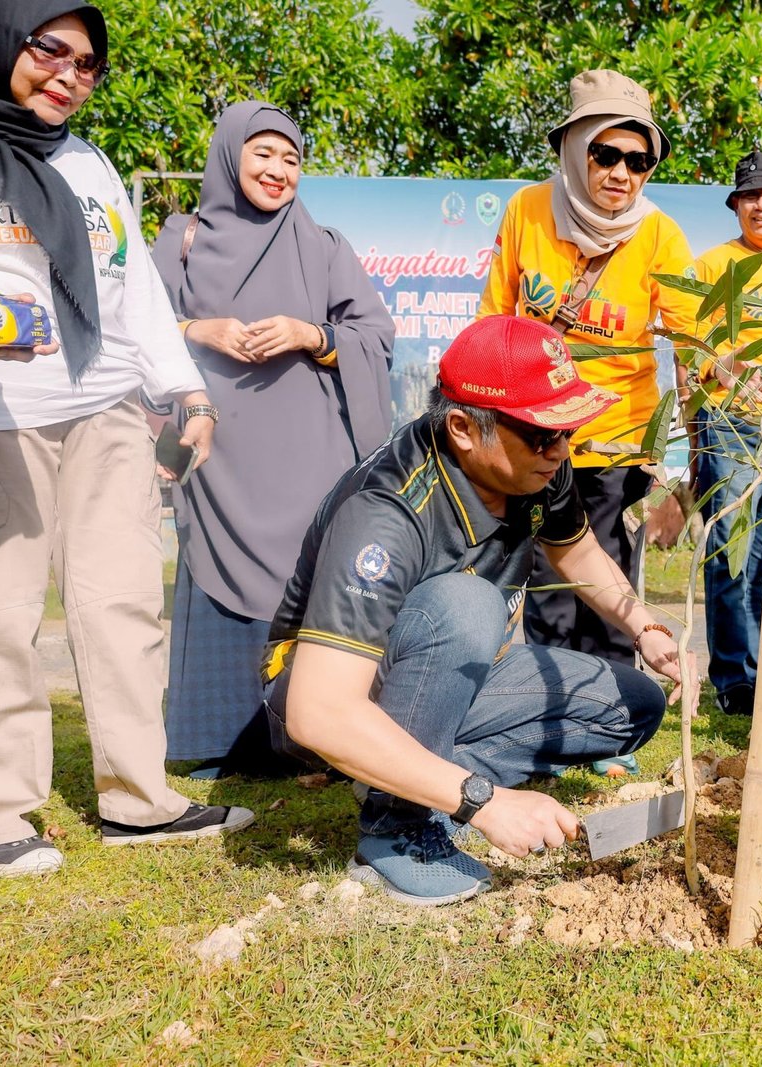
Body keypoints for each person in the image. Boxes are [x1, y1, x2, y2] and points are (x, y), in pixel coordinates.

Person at [262, 315, 685, 906]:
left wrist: (648, 630)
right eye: (543, 434)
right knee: (466, 603)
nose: (562, 450)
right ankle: (397, 827)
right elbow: (318, 712)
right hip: (323, 691)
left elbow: (580, 553)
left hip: (447, 675)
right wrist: (486, 802)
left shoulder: (540, 467)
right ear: (463, 428)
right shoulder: (385, 512)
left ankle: (406, 769)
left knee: (631, 707)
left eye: (569, 429)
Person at [0, 2, 253, 878]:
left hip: (105, 411)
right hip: (3, 420)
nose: (69, 74)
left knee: (124, 602)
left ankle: (140, 800)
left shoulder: (89, 162)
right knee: (3, 615)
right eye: (49, 51)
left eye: (87, 64)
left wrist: (186, 388)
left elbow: (133, 285)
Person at [152, 101, 394, 779]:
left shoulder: (324, 246)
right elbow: (137, 325)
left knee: (310, 589)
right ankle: (226, 744)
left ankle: (314, 738)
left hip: (311, 457)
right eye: (263, 152)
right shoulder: (183, 238)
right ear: (229, 155)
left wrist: (309, 334)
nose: (279, 169)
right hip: (221, 455)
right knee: (218, 576)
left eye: (292, 158)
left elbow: (376, 336)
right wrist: (203, 330)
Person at [478, 69, 695, 671]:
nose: (622, 173)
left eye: (639, 159)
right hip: (538, 430)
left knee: (610, 578)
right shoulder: (527, 210)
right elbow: (494, 317)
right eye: (607, 154)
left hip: (618, 433)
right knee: (549, 576)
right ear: (575, 149)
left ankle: (605, 719)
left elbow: (691, 338)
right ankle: (544, 708)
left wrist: (712, 398)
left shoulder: (660, 235)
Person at [688, 151, 762, 716]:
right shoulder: (712, 266)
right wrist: (729, 366)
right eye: (750, 196)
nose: (761, 204)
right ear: (736, 206)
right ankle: (734, 678)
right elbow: (690, 349)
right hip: (731, 424)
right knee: (730, 549)